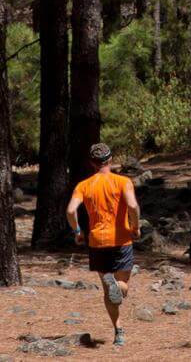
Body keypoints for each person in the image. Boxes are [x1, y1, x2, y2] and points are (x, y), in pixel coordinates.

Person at [67, 142, 140, 346]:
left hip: (97, 242)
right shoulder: (123, 181)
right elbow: (133, 206)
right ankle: (117, 285)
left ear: (92, 163)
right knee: (122, 287)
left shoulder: (83, 186)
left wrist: (78, 231)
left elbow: (71, 211)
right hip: (122, 240)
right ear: (110, 159)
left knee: (108, 292)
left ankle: (119, 331)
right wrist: (136, 227)